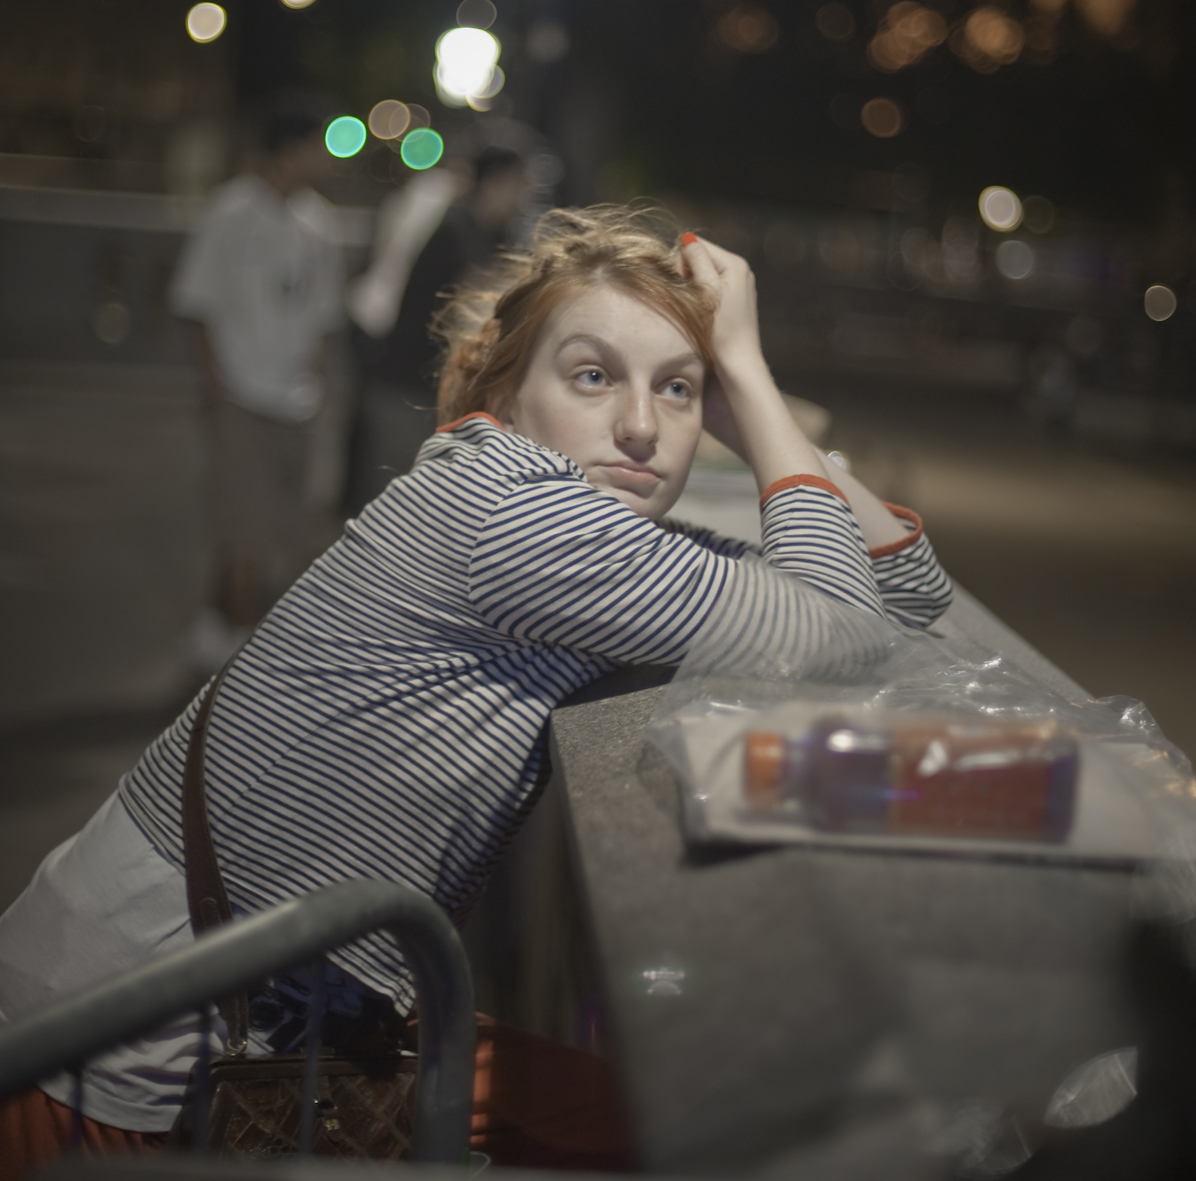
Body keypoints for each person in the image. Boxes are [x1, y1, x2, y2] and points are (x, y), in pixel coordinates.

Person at [0, 206, 952, 1176]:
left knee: (663, 1118)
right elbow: (844, 634)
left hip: (279, 1001)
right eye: (592, 375)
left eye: (676, 389)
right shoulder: (510, 513)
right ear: (502, 389)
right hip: (105, 1052)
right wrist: (741, 374)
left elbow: (908, 593)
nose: (638, 425)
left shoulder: (574, 522)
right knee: (683, 1129)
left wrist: (746, 402)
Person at [172, 95, 345, 657]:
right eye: (319, 146)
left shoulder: (319, 221)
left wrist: (313, 376)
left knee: (283, 526)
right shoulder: (232, 212)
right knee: (243, 523)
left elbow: (324, 312)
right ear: (290, 152)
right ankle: (238, 651)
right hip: (242, 392)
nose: (328, 158)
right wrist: (216, 382)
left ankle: (220, 624)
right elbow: (197, 303)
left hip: (294, 397)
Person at [344, 146, 528, 513]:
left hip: (420, 390)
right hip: (402, 388)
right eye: (518, 185)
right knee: (388, 503)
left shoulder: (485, 230)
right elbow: (483, 288)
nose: (522, 197)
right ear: (494, 183)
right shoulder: (458, 225)